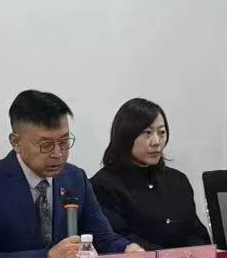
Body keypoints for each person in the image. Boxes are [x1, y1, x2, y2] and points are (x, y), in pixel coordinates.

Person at [0, 90, 140, 258]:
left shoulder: (75, 178)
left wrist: (128, 250)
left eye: (64, 142)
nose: (58, 154)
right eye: (46, 145)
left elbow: (103, 239)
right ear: (16, 142)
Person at [90, 98, 212, 250]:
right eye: (147, 133)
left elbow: (196, 233)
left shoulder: (178, 180)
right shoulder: (103, 185)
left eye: (161, 132)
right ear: (126, 136)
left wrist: (195, 255)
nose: (156, 142)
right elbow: (115, 239)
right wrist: (167, 257)